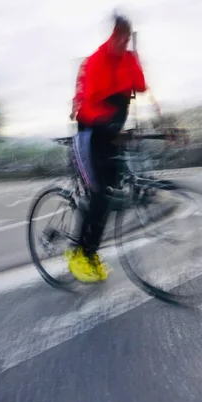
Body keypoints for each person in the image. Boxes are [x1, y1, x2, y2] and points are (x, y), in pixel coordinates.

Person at [67, 15, 147, 282]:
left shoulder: (128, 59)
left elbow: (142, 87)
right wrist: (113, 130)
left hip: (111, 134)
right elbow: (90, 104)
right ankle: (79, 253)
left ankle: (90, 252)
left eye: (126, 38)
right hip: (90, 133)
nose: (122, 42)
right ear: (112, 35)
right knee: (99, 194)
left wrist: (135, 61)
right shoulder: (95, 61)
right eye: (119, 37)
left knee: (111, 196)